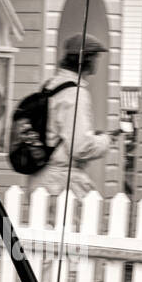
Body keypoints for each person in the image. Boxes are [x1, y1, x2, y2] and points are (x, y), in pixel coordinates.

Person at [26, 34, 115, 200]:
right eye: (95, 56)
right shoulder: (75, 93)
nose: (97, 61)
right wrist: (106, 140)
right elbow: (80, 148)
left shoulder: (51, 85)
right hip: (61, 184)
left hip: (40, 178)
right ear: (86, 59)